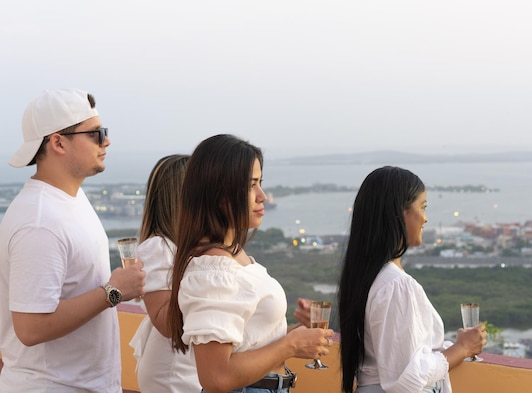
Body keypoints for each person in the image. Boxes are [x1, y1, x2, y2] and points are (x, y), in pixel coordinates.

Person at [0, 89, 146, 393]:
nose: (106, 141)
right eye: (96, 133)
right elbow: (30, 327)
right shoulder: (39, 221)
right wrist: (113, 291)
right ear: (57, 142)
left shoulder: (70, 199)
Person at [167, 134, 334, 393]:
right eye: (250, 185)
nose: (262, 196)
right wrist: (291, 345)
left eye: (260, 183)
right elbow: (216, 377)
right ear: (219, 194)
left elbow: (248, 342)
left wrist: (298, 335)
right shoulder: (213, 271)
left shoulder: (231, 257)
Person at [337, 166, 486, 393]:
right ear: (399, 213)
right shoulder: (396, 285)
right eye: (423, 207)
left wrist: (451, 346)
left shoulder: (367, 277)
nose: (426, 219)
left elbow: (397, 359)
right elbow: (406, 380)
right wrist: (463, 348)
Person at [129, 154, 203, 392]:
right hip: (173, 372)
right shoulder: (159, 247)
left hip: (187, 366)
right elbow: (166, 324)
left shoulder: (183, 247)